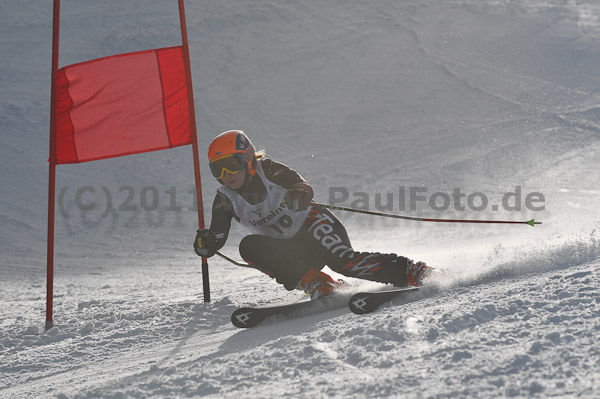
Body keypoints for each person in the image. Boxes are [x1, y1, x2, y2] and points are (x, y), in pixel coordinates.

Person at [194, 130, 430, 299]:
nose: (227, 174)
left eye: (232, 165)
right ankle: (319, 283)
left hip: (312, 225)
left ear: (247, 160)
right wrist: (207, 242)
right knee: (248, 247)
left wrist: (299, 193)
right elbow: (218, 233)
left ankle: (411, 271)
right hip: (292, 253)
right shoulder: (225, 198)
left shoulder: (268, 170)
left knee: (343, 262)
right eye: (218, 168)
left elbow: (300, 184)